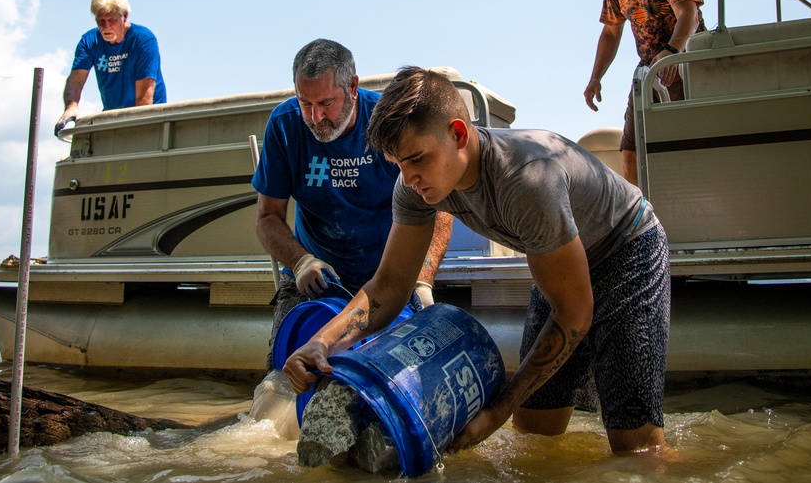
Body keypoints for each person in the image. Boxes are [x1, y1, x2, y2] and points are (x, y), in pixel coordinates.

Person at [283, 66, 672, 456]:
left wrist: (497, 410)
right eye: (398, 163)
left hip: (627, 247)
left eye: (418, 159)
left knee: (635, 448)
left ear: (459, 134)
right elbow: (387, 289)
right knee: (534, 432)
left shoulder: (527, 180)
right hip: (563, 257)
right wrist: (322, 342)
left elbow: (574, 313)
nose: (410, 177)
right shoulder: (413, 186)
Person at [252, 39, 453, 370]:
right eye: (305, 103)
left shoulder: (387, 120)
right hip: (317, 279)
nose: (315, 117)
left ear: (353, 86)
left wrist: (422, 278)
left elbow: (440, 205)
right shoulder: (284, 125)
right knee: (286, 374)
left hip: (389, 277)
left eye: (326, 103)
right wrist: (300, 262)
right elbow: (267, 218)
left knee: (393, 378)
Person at [584, 0, 705, 185]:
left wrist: (673, 52)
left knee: (684, 148)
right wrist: (595, 77)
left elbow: (689, 13)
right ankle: (639, 221)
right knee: (630, 150)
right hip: (648, 72)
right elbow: (611, 32)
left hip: (687, 67)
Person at [55, 0, 167, 135]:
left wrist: (139, 130)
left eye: (111, 20)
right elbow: (76, 79)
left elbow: (145, 95)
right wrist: (71, 106)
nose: (106, 27)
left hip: (150, 118)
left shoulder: (143, 40)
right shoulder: (89, 41)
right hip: (113, 116)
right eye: (101, 21)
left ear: (125, 16)